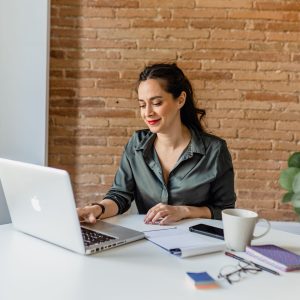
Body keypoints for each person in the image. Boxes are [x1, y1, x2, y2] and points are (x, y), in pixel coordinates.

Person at [77, 63, 236, 225]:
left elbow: (226, 211)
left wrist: (184, 211)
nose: (147, 113)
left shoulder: (214, 150)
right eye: (142, 105)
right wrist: (97, 209)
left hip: (197, 243)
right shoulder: (136, 144)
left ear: (180, 100)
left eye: (157, 103)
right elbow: (120, 195)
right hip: (149, 240)